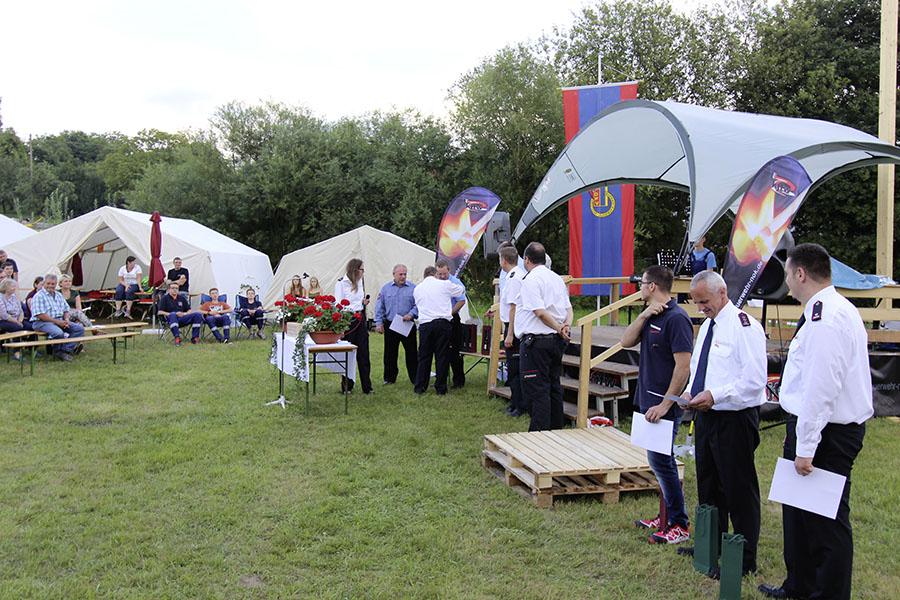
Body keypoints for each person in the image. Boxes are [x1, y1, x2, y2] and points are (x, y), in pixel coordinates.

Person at [758, 244, 873, 600]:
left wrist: (806, 446)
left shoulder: (827, 317)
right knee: (798, 515)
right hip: (814, 426)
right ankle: (799, 586)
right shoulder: (826, 310)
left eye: (788, 275)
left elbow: (821, 388)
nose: (786, 283)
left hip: (827, 432)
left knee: (825, 523)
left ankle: (828, 594)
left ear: (801, 273)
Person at [682, 270, 767, 574]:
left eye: (704, 301)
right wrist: (690, 392)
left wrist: (715, 395)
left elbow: (754, 380)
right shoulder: (707, 325)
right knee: (708, 484)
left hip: (734, 418)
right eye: (696, 302)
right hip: (707, 415)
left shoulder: (745, 326)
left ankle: (743, 558)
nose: (700, 307)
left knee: (738, 488)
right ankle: (710, 544)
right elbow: (700, 368)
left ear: (722, 293)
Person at [621, 265, 692, 545]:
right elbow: (626, 341)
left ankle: (679, 523)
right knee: (656, 460)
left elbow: (683, 367)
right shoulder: (651, 315)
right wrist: (643, 315)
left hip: (663, 405)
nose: (639, 287)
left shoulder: (677, 319)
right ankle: (665, 515)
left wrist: (665, 404)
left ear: (652, 286)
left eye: (642, 283)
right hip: (647, 399)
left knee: (662, 461)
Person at [516, 242, 572, 431]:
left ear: (526, 259)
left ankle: (538, 436)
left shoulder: (531, 279)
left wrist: (559, 327)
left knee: (536, 391)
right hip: (556, 341)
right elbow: (569, 309)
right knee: (554, 387)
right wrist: (566, 326)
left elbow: (539, 312)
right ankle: (556, 431)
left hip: (537, 342)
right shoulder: (557, 279)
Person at [413, 264, 465, 395]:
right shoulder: (444, 284)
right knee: (442, 356)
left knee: (424, 356)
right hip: (442, 323)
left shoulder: (417, 288)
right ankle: (441, 388)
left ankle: (420, 387)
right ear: (435, 274)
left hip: (425, 324)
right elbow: (460, 291)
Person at [374, 264, 418, 385]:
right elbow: (380, 307)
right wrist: (378, 323)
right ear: (394, 274)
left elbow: (418, 305)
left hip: (407, 324)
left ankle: (415, 378)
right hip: (391, 324)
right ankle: (389, 378)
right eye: (400, 274)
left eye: (405, 274)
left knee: (412, 353)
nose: (403, 277)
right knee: (390, 353)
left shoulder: (413, 288)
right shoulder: (385, 289)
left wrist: (412, 314)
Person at [334, 259, 372, 394]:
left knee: (364, 353)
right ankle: (347, 386)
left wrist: (363, 302)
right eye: (362, 269)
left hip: (360, 318)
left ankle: (367, 386)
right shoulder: (341, 283)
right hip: (348, 319)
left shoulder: (361, 282)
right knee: (348, 353)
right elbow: (338, 304)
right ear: (355, 270)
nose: (363, 272)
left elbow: (357, 300)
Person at [499, 242, 527, 417]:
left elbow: (514, 307)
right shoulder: (512, 276)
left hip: (514, 327)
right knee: (512, 367)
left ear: (504, 260)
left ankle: (520, 405)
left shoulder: (515, 277)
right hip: (510, 324)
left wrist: (509, 334)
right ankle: (514, 402)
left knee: (515, 368)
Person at [30, 273, 85, 361]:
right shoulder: (38, 296)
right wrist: (58, 322)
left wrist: (66, 319)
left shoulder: (58, 295)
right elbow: (40, 315)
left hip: (59, 320)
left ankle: (64, 350)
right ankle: (59, 351)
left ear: (56, 284)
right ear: (44, 283)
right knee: (58, 333)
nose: (50, 286)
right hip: (41, 322)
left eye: (53, 284)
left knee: (79, 329)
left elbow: (66, 309)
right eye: (48, 283)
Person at [435, 259, 467, 388]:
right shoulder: (435, 282)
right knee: (441, 350)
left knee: (454, 351)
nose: (442, 276)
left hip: (452, 318)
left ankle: (458, 380)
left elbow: (461, 301)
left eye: (444, 274)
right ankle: (441, 378)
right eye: (440, 274)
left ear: (449, 270)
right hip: (439, 319)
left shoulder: (455, 283)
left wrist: (450, 313)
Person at [0, 278, 24, 361]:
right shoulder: (1, 297)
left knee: (30, 326)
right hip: (3, 320)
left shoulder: (14, 297)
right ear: (6, 287)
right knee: (17, 328)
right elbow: (4, 315)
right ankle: (16, 352)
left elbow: (20, 310)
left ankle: (33, 349)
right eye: (12, 286)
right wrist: (17, 322)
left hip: (17, 319)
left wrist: (20, 320)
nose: (14, 288)